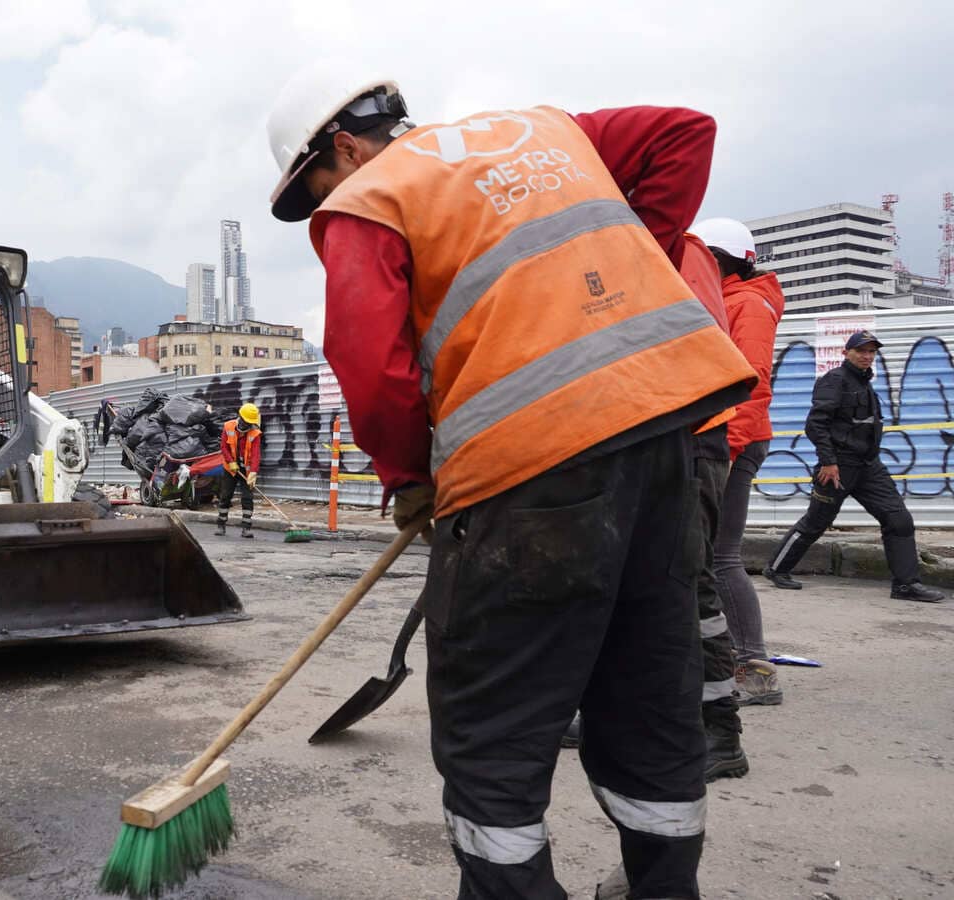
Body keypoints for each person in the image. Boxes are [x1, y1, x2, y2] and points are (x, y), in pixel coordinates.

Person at [268, 62, 755, 898]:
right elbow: (685, 131)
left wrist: (411, 476)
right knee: (648, 690)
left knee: (492, 726)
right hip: (664, 439)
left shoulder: (371, 198)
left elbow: (371, 372)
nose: (321, 207)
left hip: (527, 474)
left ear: (343, 148)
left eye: (313, 190)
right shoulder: (545, 130)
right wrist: (630, 263)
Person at [764, 331, 945, 602]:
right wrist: (828, 461)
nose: (867, 356)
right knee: (816, 522)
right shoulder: (834, 380)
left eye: (872, 351)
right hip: (838, 466)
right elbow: (815, 424)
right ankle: (777, 569)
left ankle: (906, 585)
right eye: (861, 351)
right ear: (846, 353)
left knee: (899, 520)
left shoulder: (865, 383)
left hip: (869, 465)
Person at [694, 217, 789, 705]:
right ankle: (718, 660)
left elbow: (752, 382)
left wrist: (726, 452)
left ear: (722, 258)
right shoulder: (725, 299)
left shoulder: (747, 304)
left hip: (735, 441)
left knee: (720, 555)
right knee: (702, 556)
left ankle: (755, 668)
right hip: (719, 439)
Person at [215, 403, 261, 538]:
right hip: (230, 469)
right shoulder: (228, 426)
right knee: (225, 496)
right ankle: (221, 525)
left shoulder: (255, 433)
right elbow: (224, 447)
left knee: (247, 498)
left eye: (251, 423)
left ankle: (246, 528)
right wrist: (231, 462)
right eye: (247, 422)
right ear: (241, 417)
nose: (249, 425)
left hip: (246, 470)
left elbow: (256, 454)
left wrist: (253, 472)